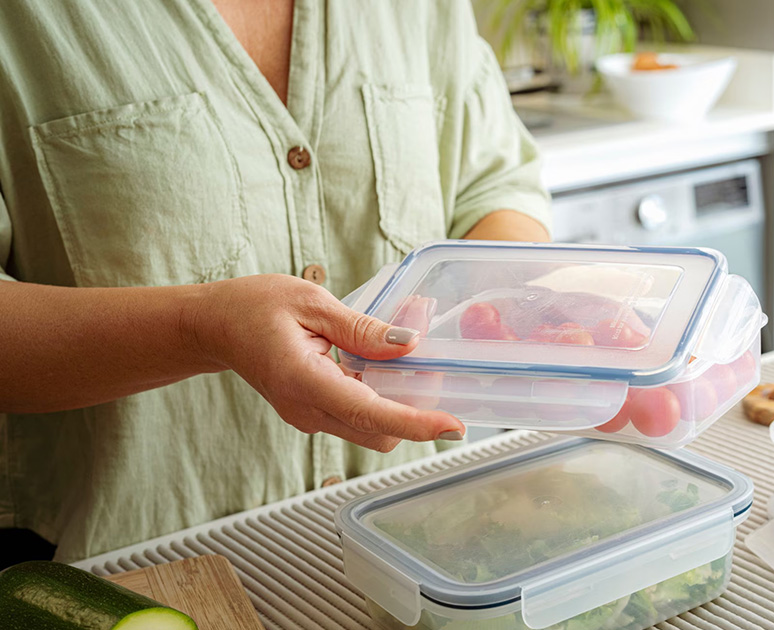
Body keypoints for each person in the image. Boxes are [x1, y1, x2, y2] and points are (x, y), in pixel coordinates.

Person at [0, 0, 551, 565]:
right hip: (129, 567)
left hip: (412, 535)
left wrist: (497, 308)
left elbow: (497, 186)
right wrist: (202, 328)